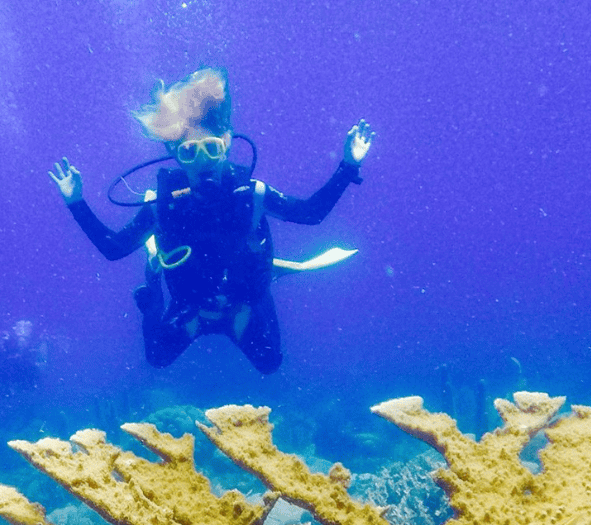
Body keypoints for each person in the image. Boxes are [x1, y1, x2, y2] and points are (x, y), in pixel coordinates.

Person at [49, 68, 373, 374]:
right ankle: (154, 286)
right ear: (174, 152)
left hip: (242, 304)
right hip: (192, 308)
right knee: (157, 358)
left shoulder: (252, 194)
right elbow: (113, 248)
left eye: (211, 148)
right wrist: (75, 201)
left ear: (227, 142)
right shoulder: (163, 206)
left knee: (271, 363)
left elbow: (310, 214)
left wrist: (349, 165)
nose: (202, 162)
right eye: (190, 152)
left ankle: (264, 282)